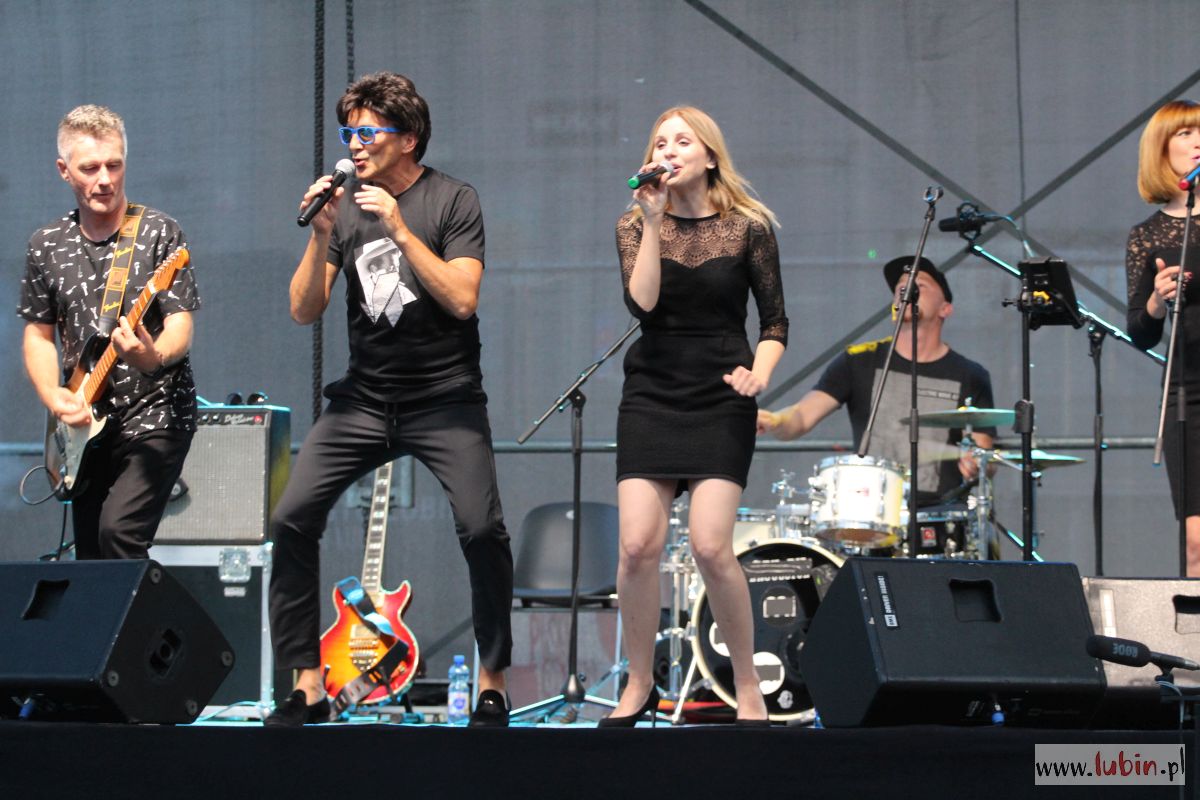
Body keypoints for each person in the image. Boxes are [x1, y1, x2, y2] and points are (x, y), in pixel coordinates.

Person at [265, 72, 513, 727]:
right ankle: (308, 685)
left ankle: (492, 681)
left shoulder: (453, 200)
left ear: (408, 138)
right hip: (365, 400)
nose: (355, 144)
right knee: (291, 518)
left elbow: (463, 298)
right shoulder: (344, 206)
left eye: (368, 132)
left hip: (446, 400)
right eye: (348, 132)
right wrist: (320, 232)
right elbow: (302, 310)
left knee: (482, 529)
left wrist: (400, 229)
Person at [608, 106, 786, 726]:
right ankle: (638, 684)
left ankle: (748, 685)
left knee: (711, 545)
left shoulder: (748, 227)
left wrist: (760, 373)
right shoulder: (634, 224)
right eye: (660, 143)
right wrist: (655, 221)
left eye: (682, 141)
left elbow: (774, 323)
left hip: (721, 396)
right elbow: (643, 306)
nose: (669, 151)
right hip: (652, 393)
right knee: (637, 546)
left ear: (709, 155)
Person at [19, 104, 199, 560]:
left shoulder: (158, 232)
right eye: (90, 168)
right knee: (92, 557)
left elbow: (180, 323)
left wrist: (150, 356)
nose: (104, 179)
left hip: (156, 413)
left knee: (120, 535)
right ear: (64, 171)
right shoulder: (46, 244)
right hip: (85, 422)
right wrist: (53, 396)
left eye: (114, 165)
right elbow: (39, 334)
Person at [758, 257, 994, 509]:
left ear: (945, 308)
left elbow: (984, 456)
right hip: (870, 512)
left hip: (940, 515)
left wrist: (977, 464)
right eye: (901, 288)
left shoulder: (970, 374)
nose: (906, 290)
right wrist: (775, 420)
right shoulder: (858, 360)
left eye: (920, 286)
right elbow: (802, 417)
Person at [1126, 98, 1200, 577]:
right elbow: (1139, 331)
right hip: (1189, 391)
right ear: (1162, 149)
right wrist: (1157, 299)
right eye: (1185, 133)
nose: (1198, 142)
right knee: (1196, 542)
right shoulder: (1148, 235)